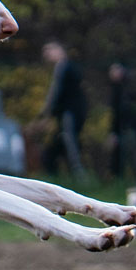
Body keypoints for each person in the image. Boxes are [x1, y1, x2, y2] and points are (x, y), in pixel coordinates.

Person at [40, 40, 88, 179]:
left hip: (70, 113)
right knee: (61, 141)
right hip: (70, 112)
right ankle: (60, 174)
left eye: (49, 51)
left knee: (69, 140)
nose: (47, 55)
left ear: (60, 50)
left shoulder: (63, 67)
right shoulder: (67, 67)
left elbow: (56, 92)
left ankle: (79, 174)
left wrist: (47, 112)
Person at [107, 63, 136, 182]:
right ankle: (120, 180)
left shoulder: (127, 89)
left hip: (129, 127)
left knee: (133, 154)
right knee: (121, 156)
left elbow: (124, 111)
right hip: (123, 127)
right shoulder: (119, 89)